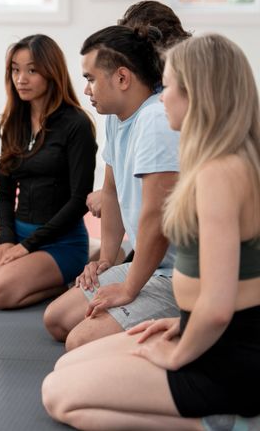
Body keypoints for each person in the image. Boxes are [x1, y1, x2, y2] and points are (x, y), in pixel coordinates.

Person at [43, 33, 260, 429]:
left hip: (225, 363)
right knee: (67, 367)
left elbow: (219, 304)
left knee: (59, 395)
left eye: (171, 86)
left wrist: (177, 353)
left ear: (199, 95)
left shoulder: (219, 175)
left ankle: (219, 424)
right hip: (211, 337)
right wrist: (182, 324)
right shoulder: (224, 163)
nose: (162, 98)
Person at [43, 25, 180, 350]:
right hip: (148, 264)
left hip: (176, 274)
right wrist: (106, 262)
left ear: (121, 78)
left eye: (91, 78)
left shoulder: (155, 121)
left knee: (79, 342)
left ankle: (181, 330)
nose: (87, 90)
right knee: (57, 320)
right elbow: (113, 194)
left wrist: (129, 289)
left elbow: (155, 221)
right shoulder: (117, 118)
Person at [0, 35, 96, 309]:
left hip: (60, 242)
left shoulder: (76, 124)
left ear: (52, 73)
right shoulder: (14, 124)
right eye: (15, 70)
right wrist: (7, 240)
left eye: (31, 70)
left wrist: (26, 247)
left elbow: (79, 201)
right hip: (17, 236)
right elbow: (5, 195)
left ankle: (62, 280)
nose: (21, 78)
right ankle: (21, 271)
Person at [86, 0, 193, 224]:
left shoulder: (158, 113)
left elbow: (156, 212)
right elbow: (112, 188)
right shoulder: (121, 108)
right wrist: (107, 259)